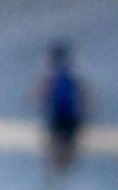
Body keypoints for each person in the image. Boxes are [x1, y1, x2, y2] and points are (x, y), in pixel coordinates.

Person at [38, 42, 88, 178]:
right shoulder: (68, 74)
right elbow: (83, 91)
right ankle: (60, 169)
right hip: (66, 114)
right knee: (64, 143)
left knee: (58, 142)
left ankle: (56, 169)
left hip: (61, 114)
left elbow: (43, 90)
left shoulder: (54, 75)